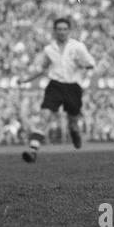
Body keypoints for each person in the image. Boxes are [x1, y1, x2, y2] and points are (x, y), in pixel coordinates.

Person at [15, 16, 96, 162]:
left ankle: (74, 132)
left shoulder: (78, 47)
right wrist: (25, 80)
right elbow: (42, 69)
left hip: (73, 86)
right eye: (59, 29)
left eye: (65, 29)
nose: (62, 32)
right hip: (55, 85)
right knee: (45, 115)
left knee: (72, 121)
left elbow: (90, 64)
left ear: (69, 30)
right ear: (54, 31)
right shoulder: (49, 49)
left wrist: (82, 67)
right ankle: (33, 150)